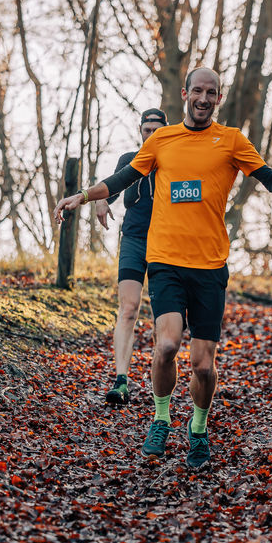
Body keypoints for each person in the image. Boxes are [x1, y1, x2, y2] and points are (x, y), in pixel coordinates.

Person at [54, 67, 272, 469]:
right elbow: (121, 179)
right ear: (185, 93)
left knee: (203, 366)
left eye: (212, 93)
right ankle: (160, 417)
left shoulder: (231, 141)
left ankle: (199, 428)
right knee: (168, 346)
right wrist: (83, 196)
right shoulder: (162, 139)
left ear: (218, 99)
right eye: (198, 91)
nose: (204, 99)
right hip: (166, 261)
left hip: (209, 265)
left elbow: (266, 175)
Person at [95, 108, 168, 405]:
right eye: (146, 130)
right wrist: (99, 202)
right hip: (134, 240)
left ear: (165, 131)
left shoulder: (174, 161)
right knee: (128, 308)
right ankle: (121, 380)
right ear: (140, 132)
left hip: (167, 243)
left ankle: (160, 381)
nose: (150, 135)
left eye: (156, 130)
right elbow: (110, 189)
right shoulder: (130, 160)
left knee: (163, 316)